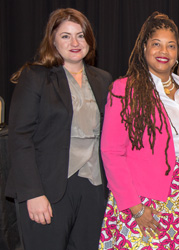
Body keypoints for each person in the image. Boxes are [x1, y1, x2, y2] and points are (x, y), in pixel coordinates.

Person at [98, 12, 179, 249]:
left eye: (171, 46)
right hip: (143, 200)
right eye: (156, 44)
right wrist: (135, 207)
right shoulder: (124, 89)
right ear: (144, 47)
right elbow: (111, 152)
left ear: (178, 53)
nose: (163, 51)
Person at [6, 8, 112, 250]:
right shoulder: (35, 76)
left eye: (81, 35)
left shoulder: (103, 79)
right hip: (48, 189)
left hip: (93, 190)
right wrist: (32, 193)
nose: (75, 42)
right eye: (66, 36)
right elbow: (20, 138)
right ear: (53, 40)